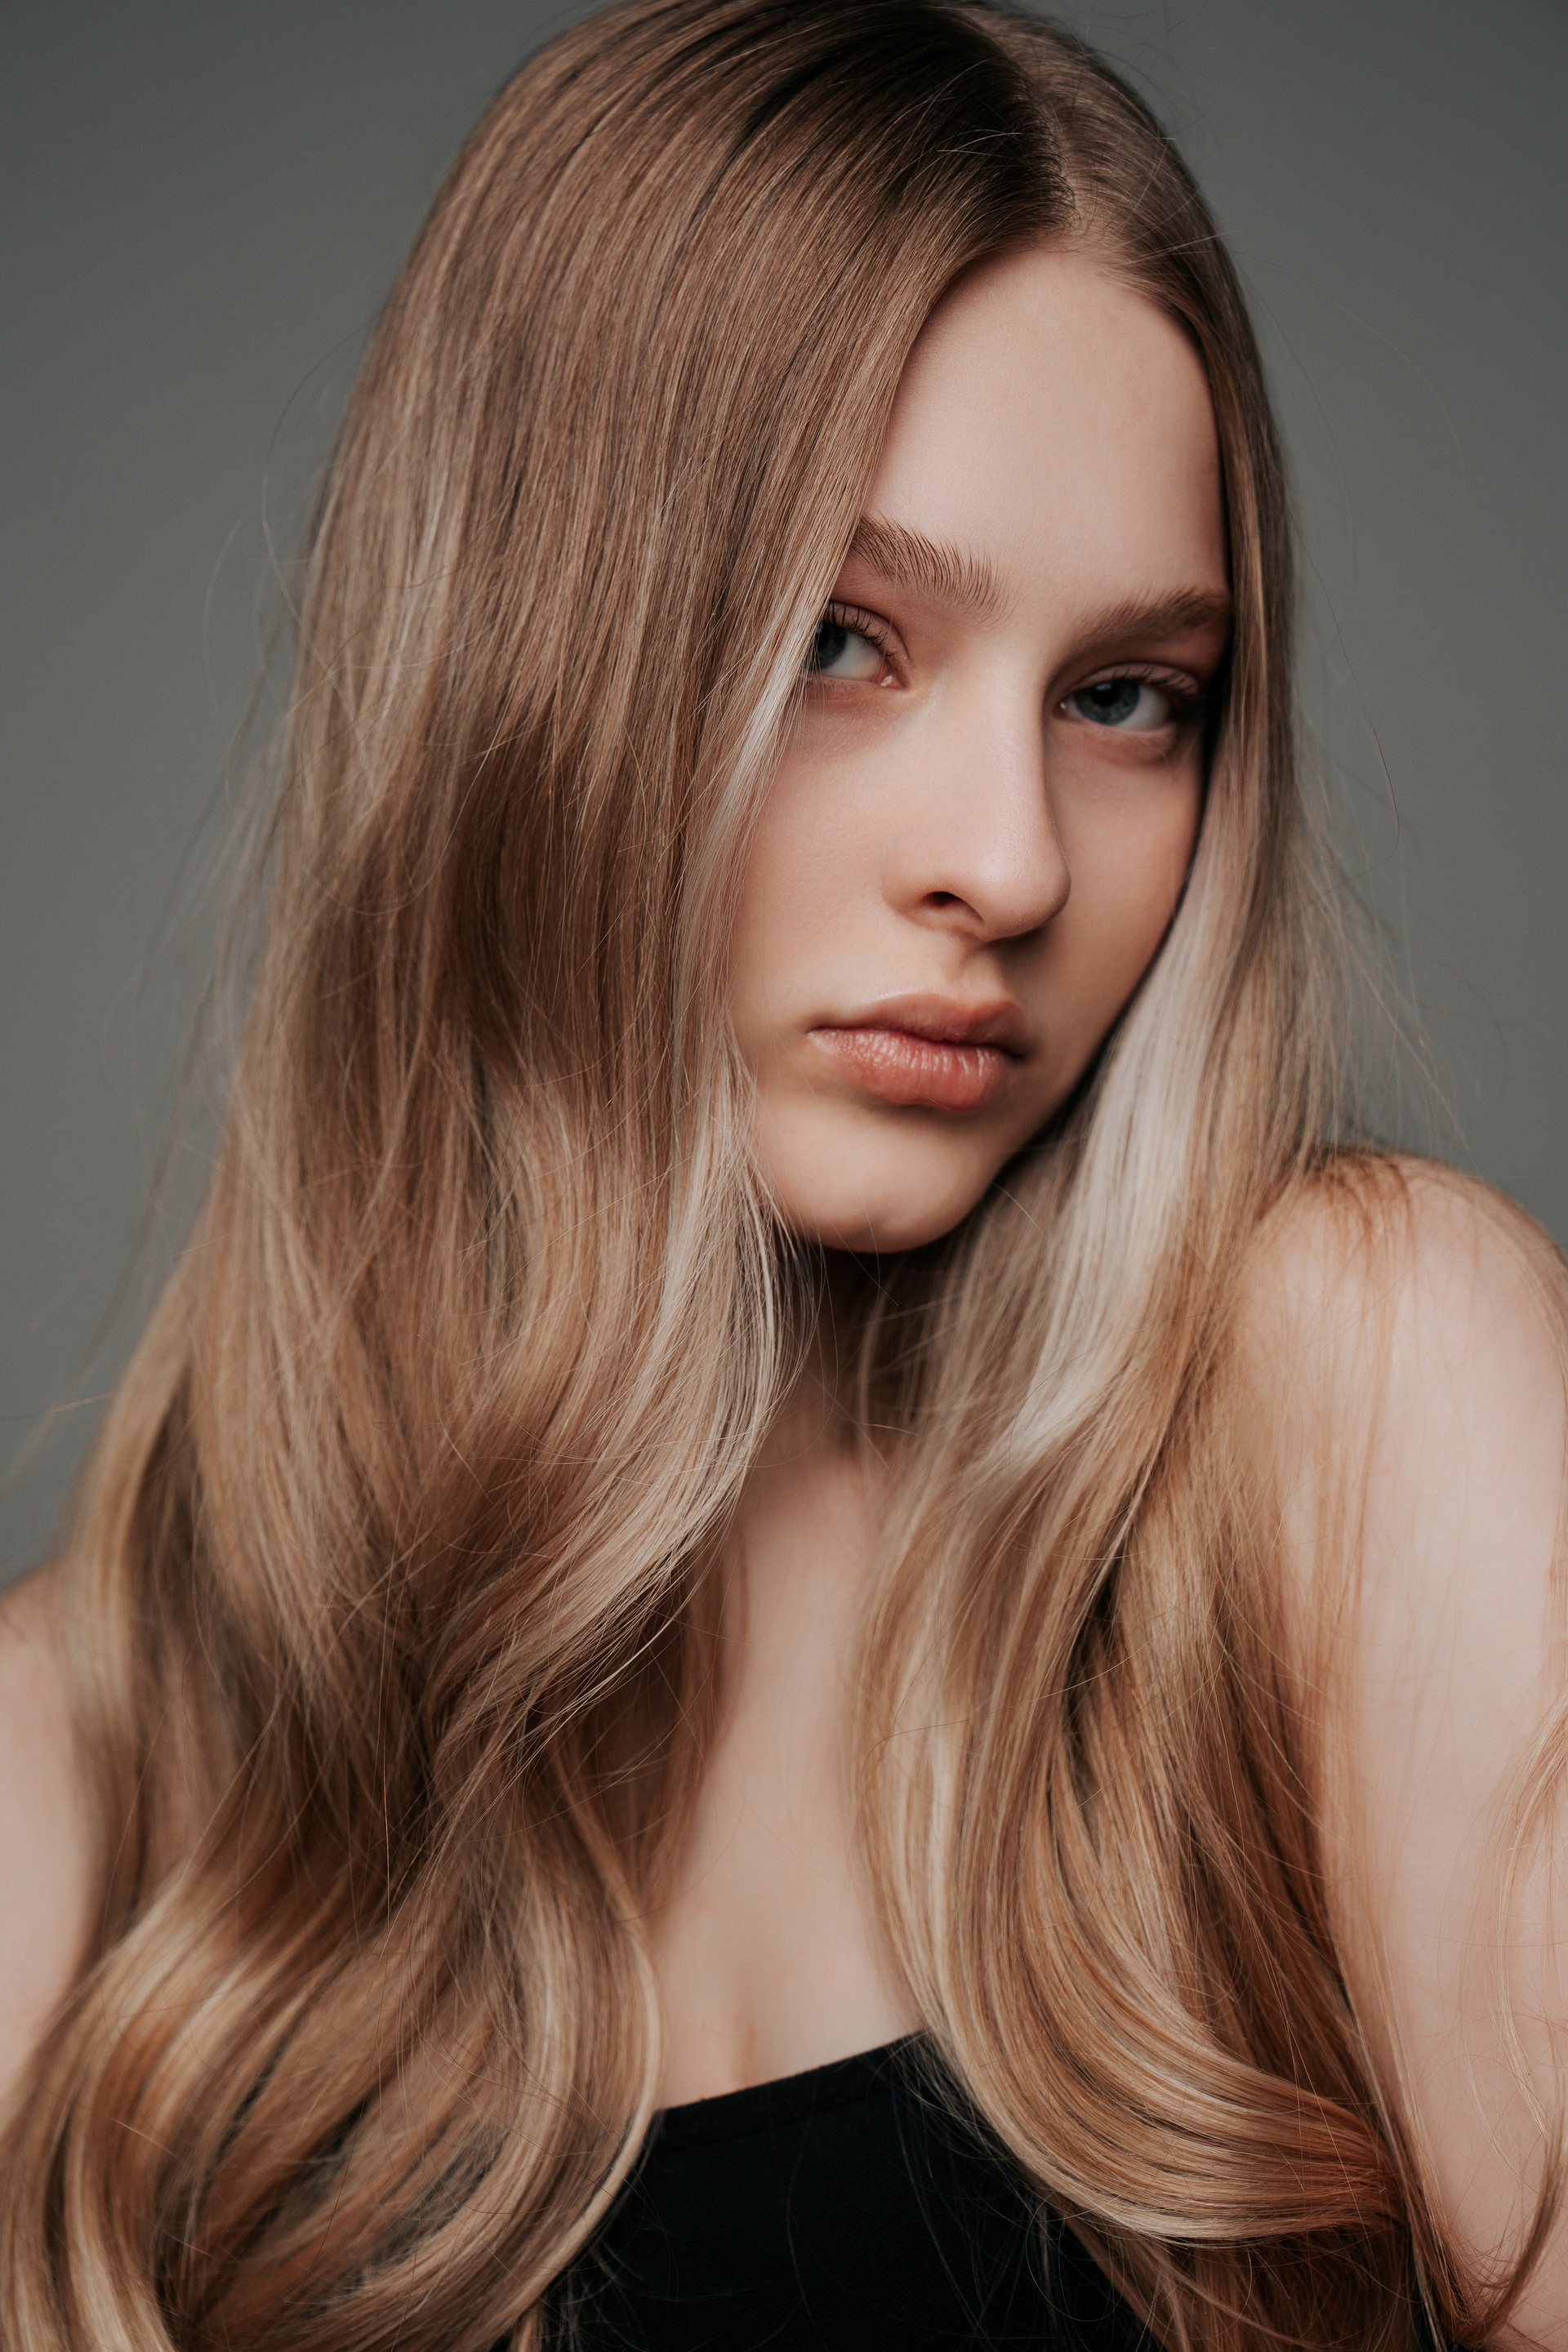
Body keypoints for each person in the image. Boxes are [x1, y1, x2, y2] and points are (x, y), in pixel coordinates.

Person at [2, 2, 1564, 2345]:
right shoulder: (79, 1786)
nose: (1010, 862)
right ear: (518, 667)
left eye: (1128, 695)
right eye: (844, 641)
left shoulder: (1350, 1405)